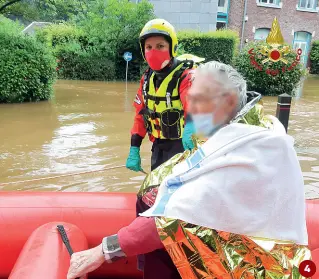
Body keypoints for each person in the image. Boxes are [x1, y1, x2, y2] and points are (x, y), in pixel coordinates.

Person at [67, 61, 310, 279]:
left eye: (197, 100)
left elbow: (171, 217)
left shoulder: (249, 150)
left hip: (260, 263)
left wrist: (101, 251)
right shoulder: (252, 129)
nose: (189, 108)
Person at [125, 18, 199, 277]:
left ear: (172, 47)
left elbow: (194, 106)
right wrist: (134, 148)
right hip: (159, 148)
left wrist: (191, 128)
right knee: (153, 197)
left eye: (160, 45)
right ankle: (156, 254)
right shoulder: (146, 81)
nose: (153, 52)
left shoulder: (185, 76)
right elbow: (140, 116)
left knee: (180, 202)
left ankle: (185, 253)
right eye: (148, 47)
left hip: (184, 148)